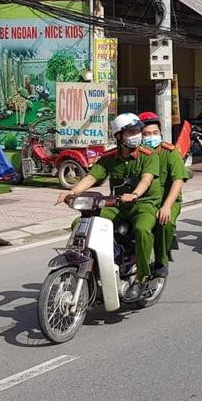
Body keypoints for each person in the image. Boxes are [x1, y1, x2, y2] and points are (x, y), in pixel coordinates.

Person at [57, 113, 161, 302]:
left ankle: (141, 277)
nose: (137, 135)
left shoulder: (149, 155)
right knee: (81, 223)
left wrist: (135, 194)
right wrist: (71, 192)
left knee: (142, 229)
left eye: (138, 130)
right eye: (131, 131)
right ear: (119, 136)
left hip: (142, 204)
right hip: (117, 204)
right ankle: (98, 261)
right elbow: (92, 177)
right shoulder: (109, 157)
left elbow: (146, 179)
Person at [139, 111, 190, 278]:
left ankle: (161, 261)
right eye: (146, 134)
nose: (151, 137)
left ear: (160, 133)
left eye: (155, 133)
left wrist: (167, 206)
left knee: (165, 223)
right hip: (143, 201)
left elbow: (178, 180)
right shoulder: (136, 153)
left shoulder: (169, 152)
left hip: (167, 200)